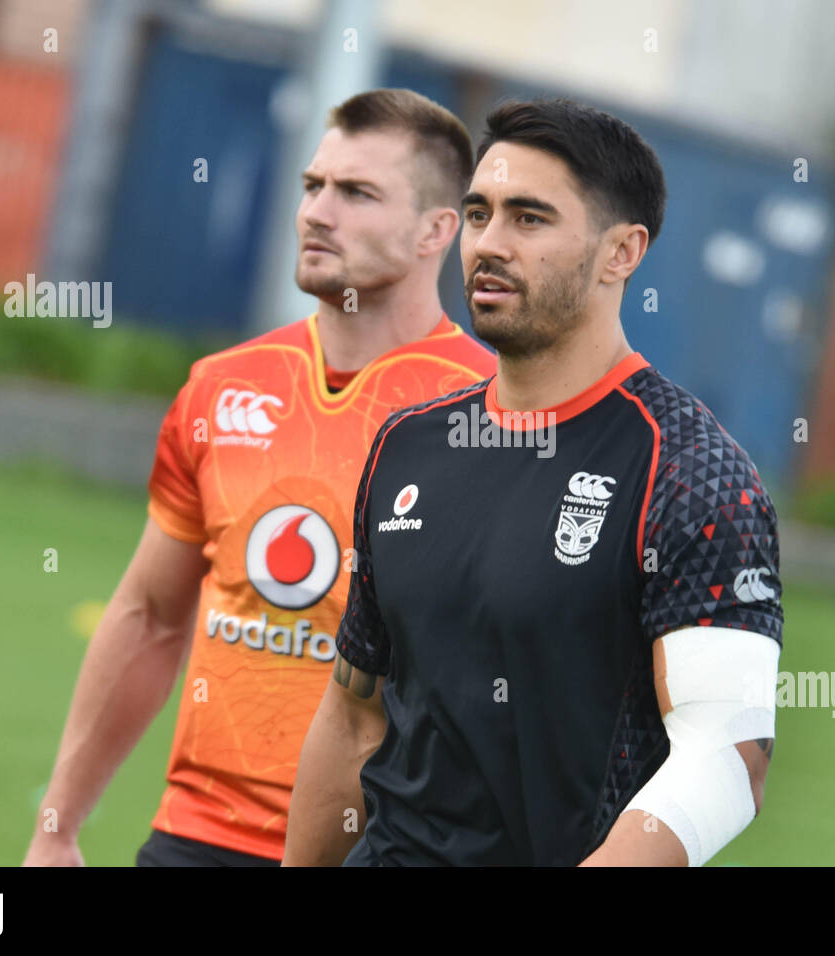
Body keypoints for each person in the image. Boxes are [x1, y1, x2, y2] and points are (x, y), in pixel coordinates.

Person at [283, 98, 784, 867]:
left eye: (529, 219)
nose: (488, 243)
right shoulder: (407, 447)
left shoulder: (692, 473)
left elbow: (727, 756)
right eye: (478, 213)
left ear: (623, 252)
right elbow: (354, 716)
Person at [22, 89, 495, 866]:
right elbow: (149, 616)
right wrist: (58, 824)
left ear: (435, 230)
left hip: (386, 847)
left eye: (357, 193)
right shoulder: (221, 386)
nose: (317, 211)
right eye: (314, 186)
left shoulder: (493, 415)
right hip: (198, 838)